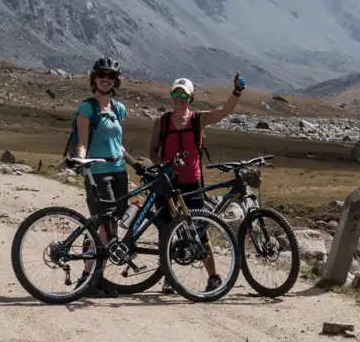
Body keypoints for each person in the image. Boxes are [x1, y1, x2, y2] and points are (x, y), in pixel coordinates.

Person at [149, 71, 246, 293]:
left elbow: (224, 111)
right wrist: (162, 166)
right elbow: (152, 151)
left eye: (184, 95)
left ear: (191, 97)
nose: (179, 99)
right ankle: (168, 277)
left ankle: (213, 277)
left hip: (192, 184)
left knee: (199, 231)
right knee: (166, 231)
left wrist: (237, 92)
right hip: (167, 185)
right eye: (176, 94)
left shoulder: (198, 120)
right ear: (171, 96)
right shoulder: (161, 123)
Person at [70, 57, 146, 297]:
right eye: (101, 76)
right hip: (98, 172)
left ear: (116, 81)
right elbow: (83, 142)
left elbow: (117, 145)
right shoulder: (87, 108)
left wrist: (136, 165)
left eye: (110, 77)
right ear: (94, 78)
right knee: (103, 223)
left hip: (119, 171)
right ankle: (87, 279)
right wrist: (82, 160)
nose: (105, 79)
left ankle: (97, 278)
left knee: (111, 226)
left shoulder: (118, 109)